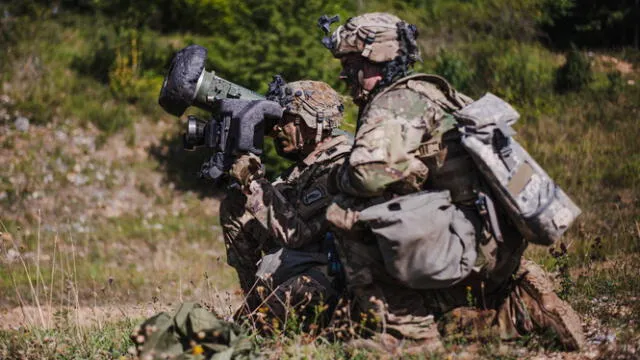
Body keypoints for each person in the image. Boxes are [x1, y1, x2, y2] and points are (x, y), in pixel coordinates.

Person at [318, 12, 584, 350]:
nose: (344, 74)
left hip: (464, 247)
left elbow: (365, 174)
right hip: (496, 244)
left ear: (375, 59)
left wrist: (336, 176)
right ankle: (523, 310)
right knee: (450, 324)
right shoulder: (439, 93)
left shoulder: (396, 101)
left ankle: (407, 337)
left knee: (345, 211)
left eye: (350, 62)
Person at [219, 78, 352, 331]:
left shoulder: (337, 167)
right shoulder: (306, 166)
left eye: (286, 120)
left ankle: (257, 314)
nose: (277, 128)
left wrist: (254, 182)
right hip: (298, 261)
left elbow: (295, 233)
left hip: (330, 272)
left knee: (255, 327)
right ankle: (252, 300)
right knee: (236, 207)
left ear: (312, 123)